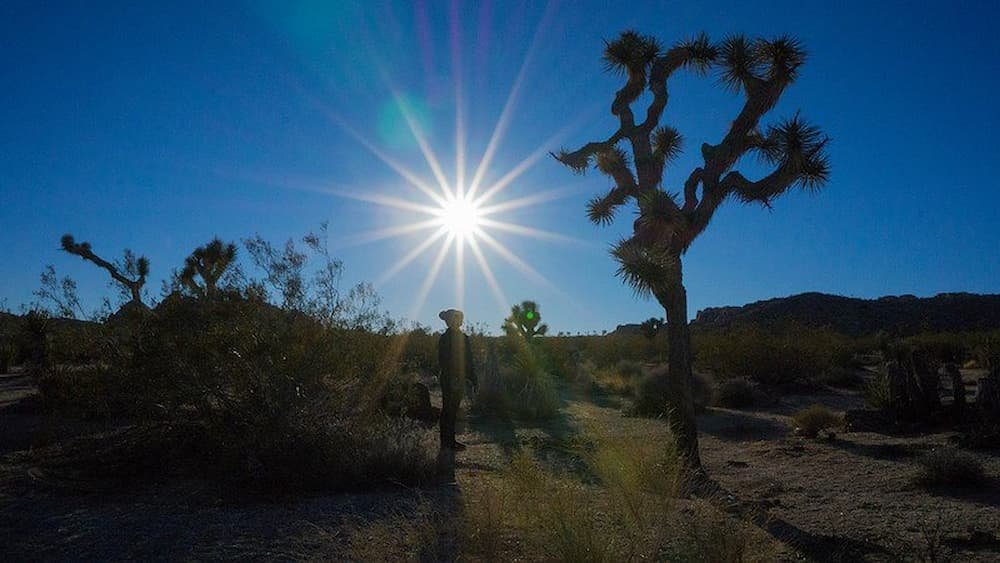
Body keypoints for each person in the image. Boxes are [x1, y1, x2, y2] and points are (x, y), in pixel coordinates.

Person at [437, 308, 476, 451]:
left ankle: (450, 441)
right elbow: (443, 361)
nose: (457, 321)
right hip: (449, 378)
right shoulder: (445, 338)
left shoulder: (464, 338)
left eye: (459, 318)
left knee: (453, 410)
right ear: (449, 321)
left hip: (459, 378)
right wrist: (452, 377)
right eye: (455, 318)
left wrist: (473, 378)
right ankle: (445, 442)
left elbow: (469, 360)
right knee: (448, 409)